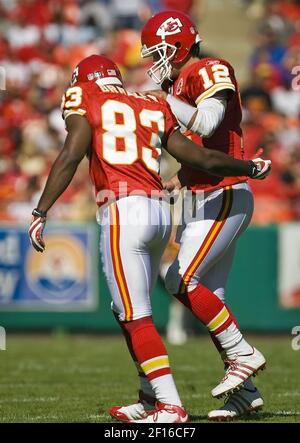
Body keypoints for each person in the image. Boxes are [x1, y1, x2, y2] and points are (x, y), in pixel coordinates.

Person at [28, 54, 270, 423]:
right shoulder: (150, 101)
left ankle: (170, 405)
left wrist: (41, 210)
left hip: (122, 211)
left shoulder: (84, 95)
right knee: (124, 308)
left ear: (82, 81)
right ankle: (148, 396)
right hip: (160, 211)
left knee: (135, 315)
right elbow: (200, 156)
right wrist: (248, 166)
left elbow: (71, 153)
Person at [110, 11, 269, 422]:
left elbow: (210, 121)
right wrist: (178, 178)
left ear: (179, 45)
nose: (154, 61)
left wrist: (165, 101)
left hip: (224, 193)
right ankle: (245, 394)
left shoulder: (209, 69)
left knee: (178, 278)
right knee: (207, 297)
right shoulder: (175, 83)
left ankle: (242, 353)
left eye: (159, 51)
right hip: (202, 193)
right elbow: (198, 147)